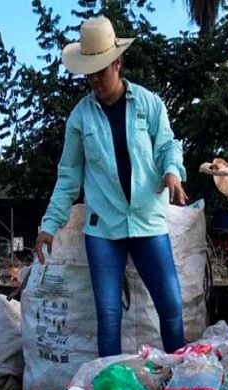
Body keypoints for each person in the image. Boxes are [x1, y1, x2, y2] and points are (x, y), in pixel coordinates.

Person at [34, 16, 188, 358]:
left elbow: (167, 146)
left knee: (171, 304)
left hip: (147, 220)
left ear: (117, 63)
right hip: (103, 228)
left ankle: (182, 378)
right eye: (89, 73)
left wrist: (173, 173)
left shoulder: (148, 104)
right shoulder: (80, 118)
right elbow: (68, 177)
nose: (94, 80)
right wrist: (48, 225)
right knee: (107, 314)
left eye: (100, 71)